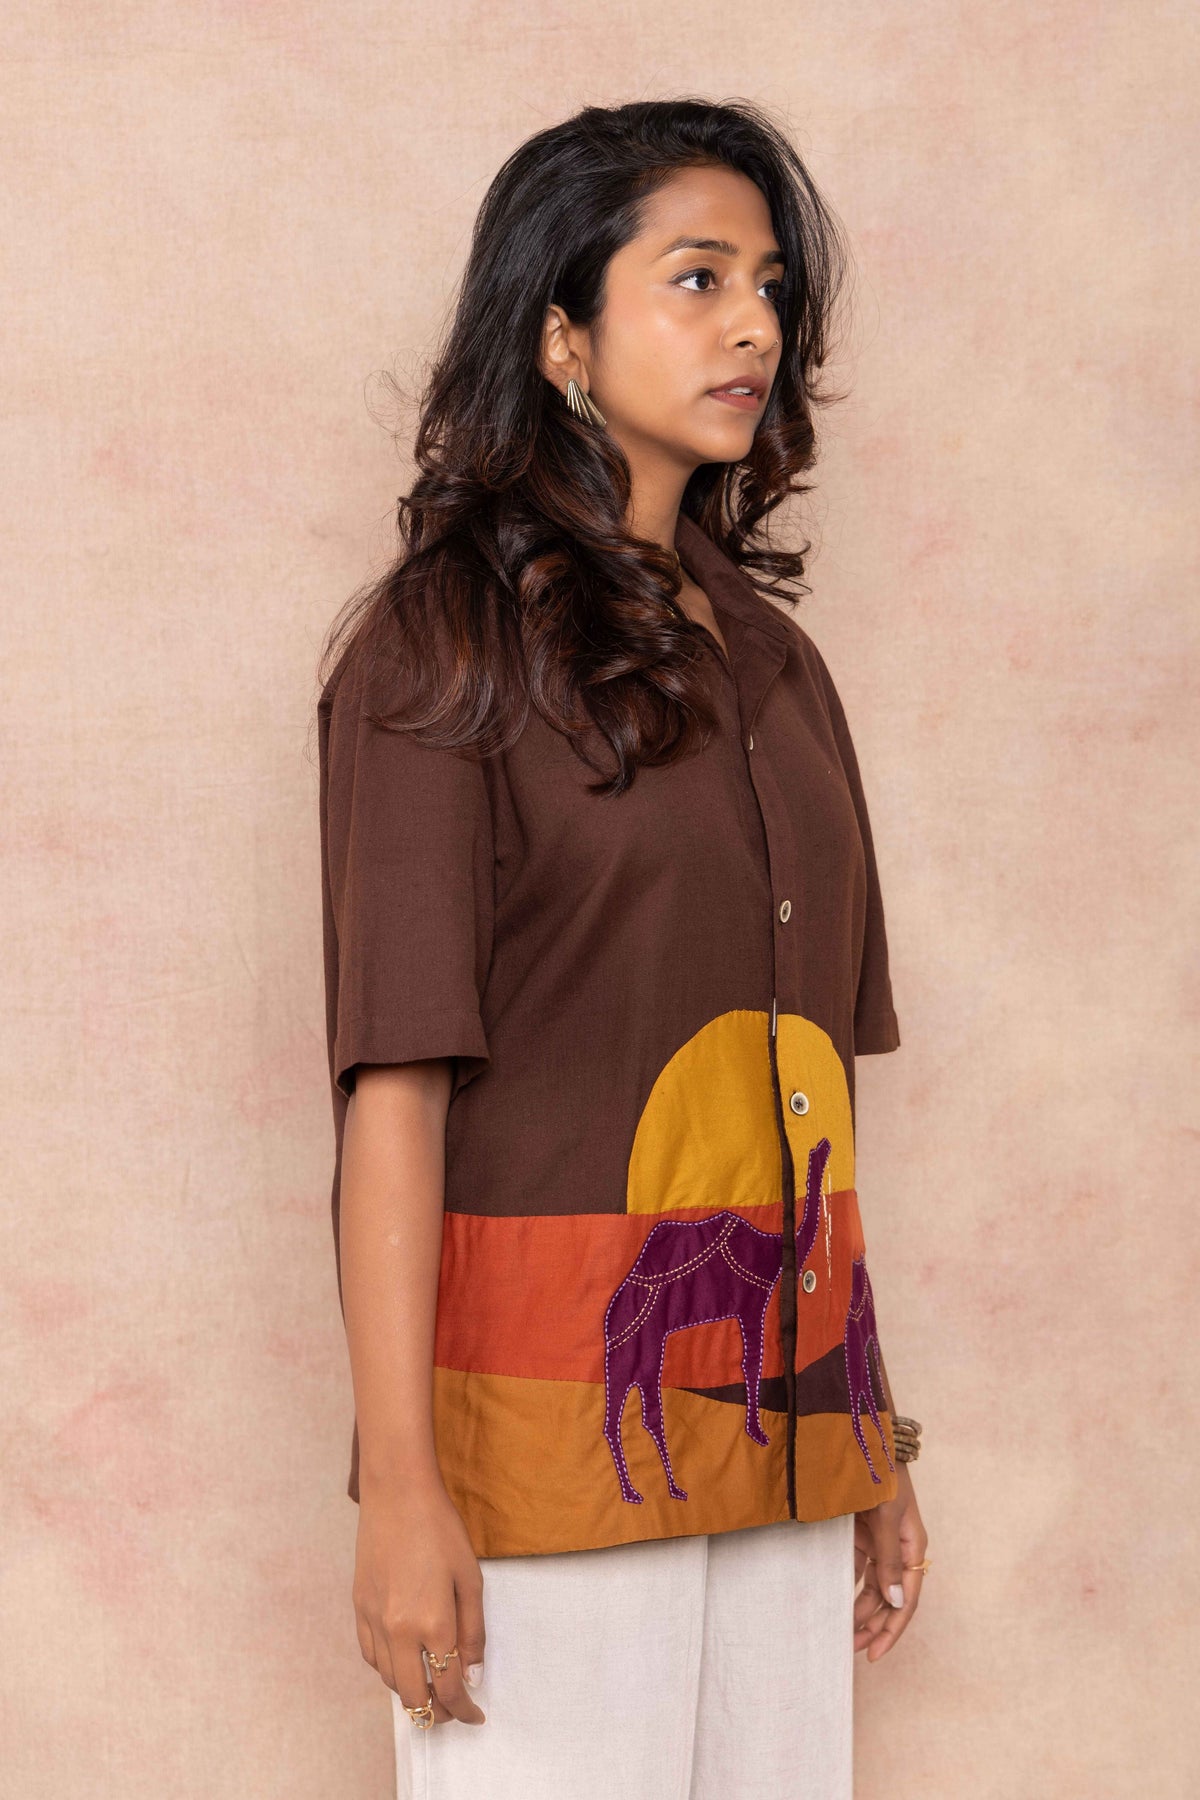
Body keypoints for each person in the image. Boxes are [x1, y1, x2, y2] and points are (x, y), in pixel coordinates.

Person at [316, 97, 929, 1800]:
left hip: (783, 1428)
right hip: (541, 1446)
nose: (755, 326)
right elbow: (395, 1090)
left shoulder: (779, 669)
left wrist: (868, 1423)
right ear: (562, 337)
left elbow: (804, 1098)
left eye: (771, 286)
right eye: (698, 278)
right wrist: (401, 1487)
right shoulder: (440, 651)